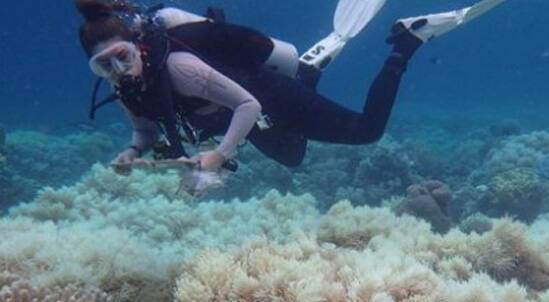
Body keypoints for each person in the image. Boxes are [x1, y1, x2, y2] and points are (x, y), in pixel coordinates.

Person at [76, 0, 506, 173]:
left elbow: (245, 104)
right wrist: (132, 152)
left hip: (263, 97)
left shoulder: (181, 69)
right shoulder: (131, 89)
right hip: (246, 115)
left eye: (122, 57)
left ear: (138, 47)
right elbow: (145, 130)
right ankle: (308, 69)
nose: (117, 70)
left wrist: (220, 154)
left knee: (366, 131)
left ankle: (407, 42)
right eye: (104, 66)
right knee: (294, 157)